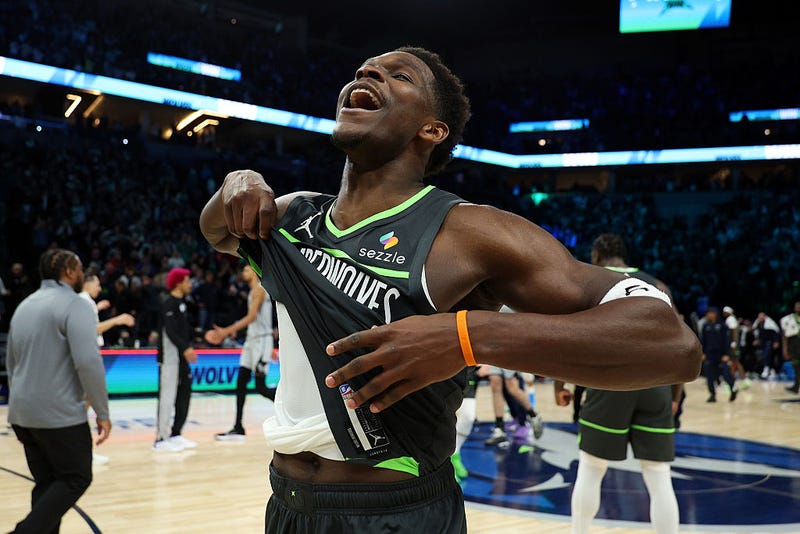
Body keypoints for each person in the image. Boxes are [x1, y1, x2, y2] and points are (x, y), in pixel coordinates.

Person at [200, 46, 700, 532]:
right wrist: (235, 184)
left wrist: (466, 336)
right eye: (366, 67)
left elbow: (670, 343)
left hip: (396, 513)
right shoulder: (293, 215)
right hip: (286, 505)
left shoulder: (469, 232)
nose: (370, 69)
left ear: (432, 129)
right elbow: (217, 230)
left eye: (400, 75)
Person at [555, 233, 683, 534]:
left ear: (597, 255)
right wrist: (675, 393)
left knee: (591, 468)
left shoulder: (589, 279)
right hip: (656, 384)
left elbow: (566, 335)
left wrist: (560, 385)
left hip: (611, 382)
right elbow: (680, 338)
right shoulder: (657, 285)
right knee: (659, 476)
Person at [6, 249, 112, 533]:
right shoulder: (75, 304)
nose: (82, 273)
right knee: (77, 477)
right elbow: (89, 362)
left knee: (48, 483)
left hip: (22, 414)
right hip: (59, 414)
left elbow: (11, 363)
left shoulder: (25, 305)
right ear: (68, 271)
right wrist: (102, 411)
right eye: (79, 268)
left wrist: (19, 410)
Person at [210, 264, 277, 441]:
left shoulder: (259, 290)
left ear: (255, 271)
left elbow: (252, 317)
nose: (243, 273)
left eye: (247, 270)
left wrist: (226, 331)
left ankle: (291, 407)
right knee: (240, 383)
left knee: (260, 387)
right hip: (253, 341)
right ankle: (238, 427)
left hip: (261, 341)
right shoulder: (253, 290)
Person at [79, 273, 135, 465]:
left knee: (84, 407)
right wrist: (117, 320)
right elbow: (91, 329)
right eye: (97, 284)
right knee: (82, 407)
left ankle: (84, 453)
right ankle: (84, 454)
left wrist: (98, 307)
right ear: (86, 283)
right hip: (87, 356)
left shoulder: (86, 302)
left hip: (88, 354)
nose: (99, 288)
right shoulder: (83, 301)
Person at [153, 267, 198, 453]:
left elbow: (183, 330)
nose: (190, 284)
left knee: (184, 395)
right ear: (178, 282)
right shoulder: (168, 303)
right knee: (167, 397)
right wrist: (185, 348)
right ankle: (160, 438)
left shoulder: (183, 303)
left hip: (181, 359)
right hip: (170, 359)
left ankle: (176, 434)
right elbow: (170, 331)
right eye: (187, 280)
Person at [700, 307, 737, 402]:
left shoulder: (723, 326)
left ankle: (733, 389)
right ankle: (712, 394)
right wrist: (702, 353)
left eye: (710, 313)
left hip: (721, 355)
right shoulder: (706, 326)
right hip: (709, 355)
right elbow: (703, 341)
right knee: (709, 376)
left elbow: (727, 341)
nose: (708, 315)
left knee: (725, 375)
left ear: (715, 314)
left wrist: (726, 354)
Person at [722, 306, 749, 389]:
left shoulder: (730, 319)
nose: (723, 313)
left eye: (725, 312)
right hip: (733, 345)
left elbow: (734, 332)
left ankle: (744, 380)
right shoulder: (732, 319)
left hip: (733, 345)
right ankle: (733, 381)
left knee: (735, 362)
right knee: (733, 363)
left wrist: (733, 343)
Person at [780, 301, 800, 393]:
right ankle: (796, 386)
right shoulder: (787, 319)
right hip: (794, 343)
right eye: (797, 306)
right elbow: (785, 336)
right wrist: (785, 349)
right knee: (796, 365)